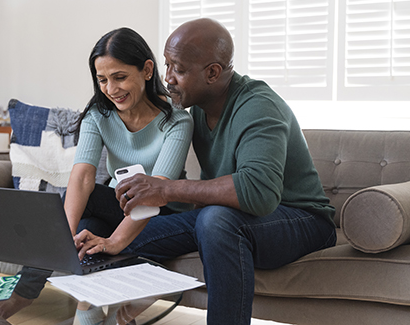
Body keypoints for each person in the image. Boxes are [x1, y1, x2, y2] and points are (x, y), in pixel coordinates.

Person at [113, 18, 337, 325]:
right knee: (125, 235)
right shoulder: (196, 111)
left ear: (213, 73)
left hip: (302, 219)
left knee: (216, 220)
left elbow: (258, 193)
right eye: (166, 66)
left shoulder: (259, 106)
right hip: (233, 217)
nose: (168, 78)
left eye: (177, 69)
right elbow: (201, 194)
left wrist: (166, 189)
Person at [0, 27, 194, 322]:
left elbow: (159, 191)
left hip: (163, 211)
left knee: (90, 233)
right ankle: (41, 296)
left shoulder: (176, 120)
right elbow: (82, 178)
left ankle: (27, 297)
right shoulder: (98, 115)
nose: (111, 89)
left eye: (119, 77)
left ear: (146, 70)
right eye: (102, 80)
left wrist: (113, 241)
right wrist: (60, 239)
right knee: (80, 231)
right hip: (118, 204)